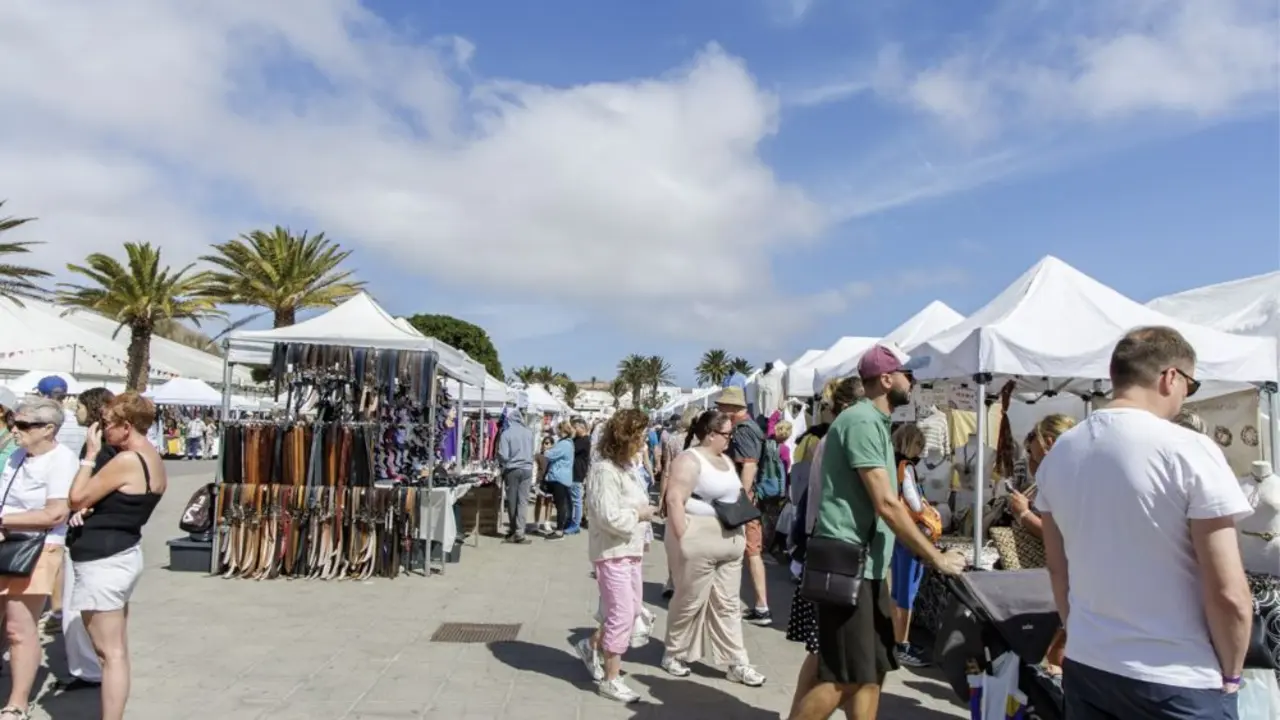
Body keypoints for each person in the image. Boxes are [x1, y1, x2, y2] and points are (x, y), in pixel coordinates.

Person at [1035, 326, 1254, 719]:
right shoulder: (1188, 449)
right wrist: (1233, 674)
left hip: (1090, 665)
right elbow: (1228, 592)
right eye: (1191, 385)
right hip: (1177, 675)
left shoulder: (1061, 452)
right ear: (1170, 377)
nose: (1186, 395)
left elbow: (1057, 567)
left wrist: (1080, 633)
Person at [791, 346, 965, 720]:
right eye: (908, 374)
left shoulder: (875, 422)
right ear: (887, 379)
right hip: (848, 565)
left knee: (872, 672)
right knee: (846, 678)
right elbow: (887, 503)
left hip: (866, 565)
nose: (913, 381)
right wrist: (936, 558)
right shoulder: (862, 422)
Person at [68, 392, 167, 720]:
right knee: (115, 650)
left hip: (104, 561)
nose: (103, 429)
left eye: (108, 423)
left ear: (127, 427)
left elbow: (76, 497)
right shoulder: (151, 458)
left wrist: (89, 456)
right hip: (122, 553)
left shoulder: (126, 460)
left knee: (109, 654)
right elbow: (122, 504)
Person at [661, 410, 767, 688]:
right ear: (710, 434)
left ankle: (737, 662)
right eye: (726, 434)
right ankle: (674, 652)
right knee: (690, 600)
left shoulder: (726, 461)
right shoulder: (689, 460)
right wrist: (684, 538)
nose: (730, 439)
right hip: (699, 539)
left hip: (730, 541)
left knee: (729, 605)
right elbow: (674, 500)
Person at [785, 376, 863, 719]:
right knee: (839, 662)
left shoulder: (830, 439)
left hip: (825, 553)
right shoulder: (841, 439)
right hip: (837, 558)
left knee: (828, 657)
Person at [0, 398, 77, 719]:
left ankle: (17, 703)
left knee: (19, 627)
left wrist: (3, 521)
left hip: (36, 548)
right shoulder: (17, 455)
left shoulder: (61, 460)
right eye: (12, 423)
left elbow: (55, 513)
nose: (14, 430)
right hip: (7, 541)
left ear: (48, 429)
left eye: (22, 425)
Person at [576, 409, 658, 704]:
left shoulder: (626, 468)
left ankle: (591, 646)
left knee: (630, 610)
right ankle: (611, 678)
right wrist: (639, 515)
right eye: (640, 436)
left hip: (629, 550)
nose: (644, 442)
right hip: (612, 552)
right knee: (622, 613)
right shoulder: (605, 471)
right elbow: (607, 516)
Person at [1005, 414, 1077, 680]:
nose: (1032, 460)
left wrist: (1024, 514)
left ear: (1049, 442)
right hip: (1076, 576)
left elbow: (1056, 533)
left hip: (1067, 577)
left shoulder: (1061, 479)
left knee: (1059, 645)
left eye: (1034, 454)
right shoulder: (1078, 473)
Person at [56, 387, 117, 693]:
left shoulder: (98, 448)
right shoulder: (100, 443)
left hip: (87, 533)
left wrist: (84, 506)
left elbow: (94, 488)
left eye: (79, 406)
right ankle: (89, 666)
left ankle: (89, 669)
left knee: (76, 606)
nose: (75, 411)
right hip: (92, 532)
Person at [716, 386, 771, 627]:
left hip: (744, 502)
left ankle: (759, 606)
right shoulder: (751, 428)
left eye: (722, 405)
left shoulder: (743, 430)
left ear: (732, 407)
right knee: (751, 551)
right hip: (749, 500)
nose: (720, 409)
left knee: (748, 551)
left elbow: (749, 465)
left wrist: (740, 500)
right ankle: (760, 606)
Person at [887, 423, 939, 669]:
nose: (921, 450)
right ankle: (902, 644)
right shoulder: (906, 467)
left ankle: (894, 638)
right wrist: (927, 508)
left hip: (896, 531)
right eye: (919, 444)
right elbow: (915, 504)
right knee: (907, 591)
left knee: (897, 588)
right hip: (911, 532)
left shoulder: (890, 463)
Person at [496, 408, 535, 544]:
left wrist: (502, 462)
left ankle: (514, 530)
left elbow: (504, 455)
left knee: (512, 501)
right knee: (523, 501)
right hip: (527, 469)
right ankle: (520, 531)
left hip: (512, 469)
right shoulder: (529, 433)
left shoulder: (506, 434)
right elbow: (532, 451)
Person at [543, 422, 576, 539]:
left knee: (560, 504)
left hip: (559, 477)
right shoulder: (568, 443)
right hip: (563, 476)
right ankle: (560, 528)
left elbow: (551, 455)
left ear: (562, 430)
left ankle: (559, 530)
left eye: (558, 429)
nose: (556, 431)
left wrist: (546, 450)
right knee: (561, 504)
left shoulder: (564, 444)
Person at [570, 418, 591, 532]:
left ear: (582, 428)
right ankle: (572, 521)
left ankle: (576, 524)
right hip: (572, 471)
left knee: (576, 499)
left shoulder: (585, 440)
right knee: (572, 499)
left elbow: (573, 450)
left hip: (578, 472)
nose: (573, 429)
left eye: (575, 427)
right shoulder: (576, 439)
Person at [533, 436, 555, 534]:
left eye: (547, 443)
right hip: (540, 481)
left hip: (550, 481)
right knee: (539, 501)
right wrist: (534, 482)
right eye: (544, 443)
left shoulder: (553, 456)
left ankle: (547, 522)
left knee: (549, 502)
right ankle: (536, 523)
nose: (545, 445)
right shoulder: (538, 456)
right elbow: (534, 469)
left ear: (552, 445)